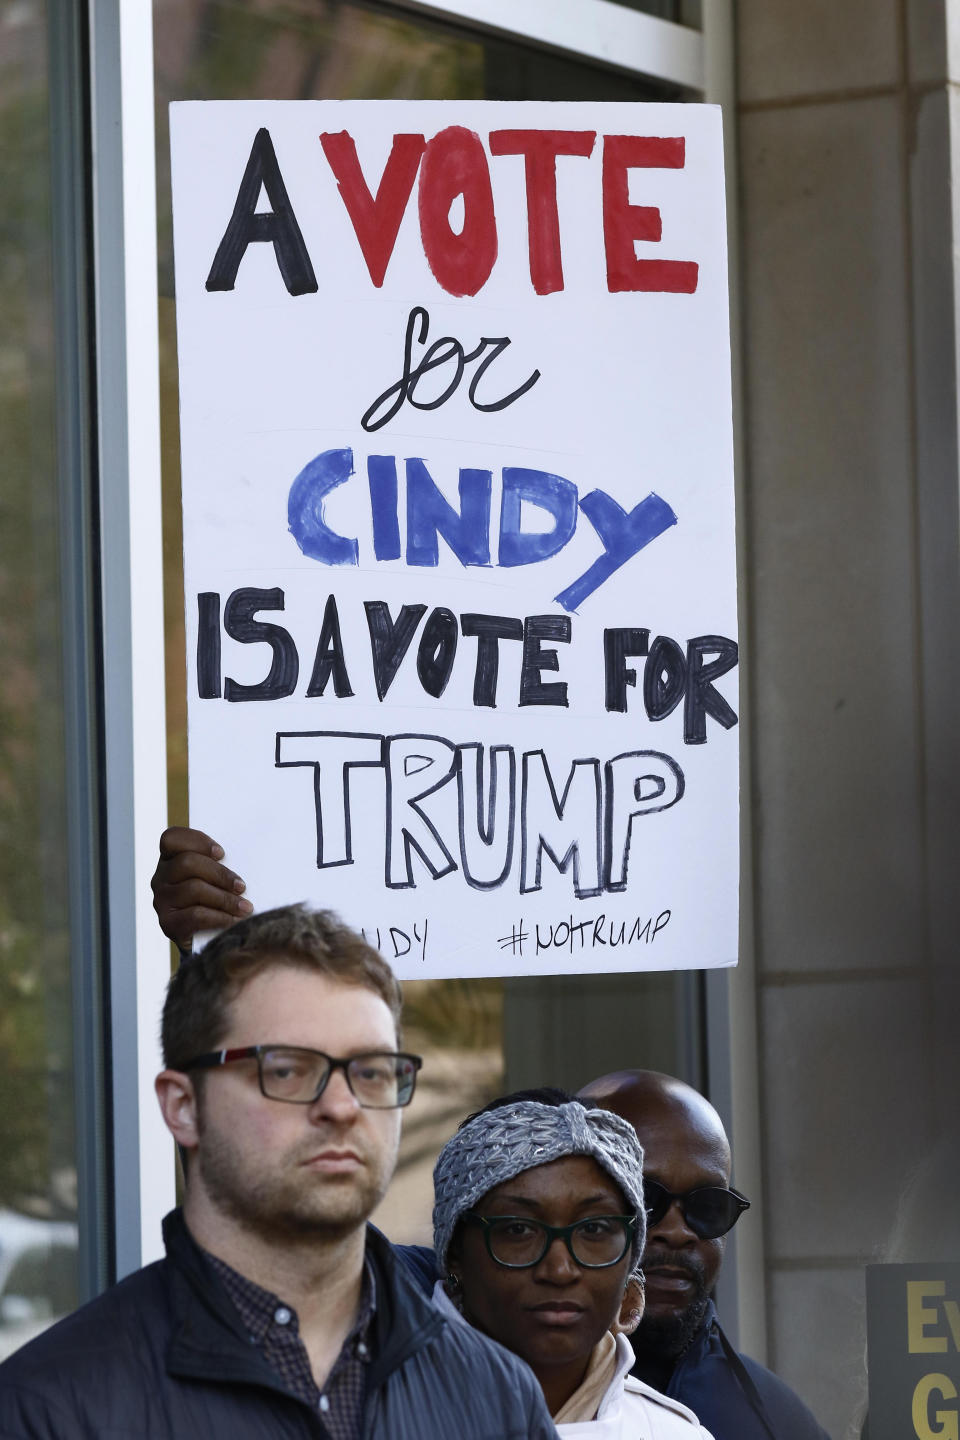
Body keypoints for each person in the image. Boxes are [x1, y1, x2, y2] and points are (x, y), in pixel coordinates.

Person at [0, 905, 558, 1440]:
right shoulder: (49, 1410)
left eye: (371, 1072)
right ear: (183, 1106)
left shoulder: (497, 1397)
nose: (342, 1107)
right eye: (288, 1070)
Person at [428, 1089, 715, 1437]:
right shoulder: (372, 1415)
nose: (560, 1269)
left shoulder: (673, 1435)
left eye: (594, 1228)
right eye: (519, 1229)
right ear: (455, 1252)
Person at [578, 1070, 831, 1440]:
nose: (679, 1232)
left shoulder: (774, 1422)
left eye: (708, 1205)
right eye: (644, 1199)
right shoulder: (488, 1393)